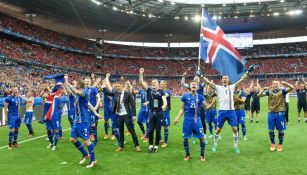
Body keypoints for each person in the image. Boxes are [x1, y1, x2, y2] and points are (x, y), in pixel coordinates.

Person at [200, 66, 252, 154]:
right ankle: (215, 145)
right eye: (223, 78)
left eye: (226, 78)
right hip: (222, 112)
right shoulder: (218, 88)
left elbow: (241, 80)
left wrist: (248, 72)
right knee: (218, 130)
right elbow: (208, 82)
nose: (224, 79)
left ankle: (236, 146)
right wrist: (201, 76)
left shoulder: (232, 87)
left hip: (231, 111)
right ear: (221, 80)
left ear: (228, 80)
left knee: (235, 129)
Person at [64, 75, 102, 168]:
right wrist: (65, 82)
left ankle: (93, 160)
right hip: (78, 120)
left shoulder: (84, 92)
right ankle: (86, 154)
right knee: (72, 139)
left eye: (76, 83)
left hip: (84, 120)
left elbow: (75, 91)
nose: (75, 84)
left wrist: (67, 82)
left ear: (79, 85)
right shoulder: (78, 95)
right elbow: (88, 104)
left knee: (87, 140)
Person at [105, 73, 141, 152]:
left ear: (122, 86)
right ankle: (121, 146)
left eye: (118, 86)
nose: (117, 87)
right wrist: (105, 85)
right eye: (116, 86)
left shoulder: (128, 94)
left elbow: (133, 105)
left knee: (131, 130)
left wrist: (134, 115)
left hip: (126, 114)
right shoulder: (116, 93)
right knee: (120, 130)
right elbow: (108, 92)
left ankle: (137, 145)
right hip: (119, 114)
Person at [173, 81, 206, 161]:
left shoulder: (201, 97)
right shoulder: (185, 96)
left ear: (197, 87)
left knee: (201, 137)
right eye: (192, 84)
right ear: (189, 87)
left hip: (197, 119)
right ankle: (187, 155)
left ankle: (202, 155)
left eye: (195, 84)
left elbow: (206, 106)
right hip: (187, 120)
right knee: (185, 138)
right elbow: (182, 108)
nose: (194, 85)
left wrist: (211, 102)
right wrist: (177, 118)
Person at [258, 80, 293, 152]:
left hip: (280, 113)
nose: (275, 84)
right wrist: (263, 89)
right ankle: (273, 144)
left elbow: (292, 88)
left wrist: (286, 83)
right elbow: (259, 95)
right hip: (271, 113)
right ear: (272, 84)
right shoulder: (269, 91)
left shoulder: (283, 91)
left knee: (280, 130)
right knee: (271, 130)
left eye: (276, 83)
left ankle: (280, 144)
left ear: (279, 84)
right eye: (274, 83)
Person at [139, 68, 167, 153]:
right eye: (152, 83)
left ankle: (156, 145)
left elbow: (164, 100)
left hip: (159, 113)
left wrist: (164, 105)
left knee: (158, 130)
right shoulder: (149, 90)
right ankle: (151, 145)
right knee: (150, 130)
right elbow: (140, 83)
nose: (153, 84)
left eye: (154, 82)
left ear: (158, 84)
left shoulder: (161, 91)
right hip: (151, 113)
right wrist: (141, 73)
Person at [181, 72, 207, 144]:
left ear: (199, 80)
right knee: (193, 122)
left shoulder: (201, 86)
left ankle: (204, 135)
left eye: (197, 78)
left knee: (202, 121)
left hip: (200, 106)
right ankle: (195, 137)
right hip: (191, 107)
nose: (196, 79)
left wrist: (202, 76)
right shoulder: (191, 86)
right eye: (195, 78)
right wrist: (183, 77)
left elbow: (206, 82)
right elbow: (183, 84)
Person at [85, 77, 101, 146]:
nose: (87, 82)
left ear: (90, 82)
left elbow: (98, 98)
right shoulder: (84, 90)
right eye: (86, 81)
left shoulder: (93, 89)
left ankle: (95, 140)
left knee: (93, 125)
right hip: (86, 110)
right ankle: (88, 140)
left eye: (88, 81)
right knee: (87, 125)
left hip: (93, 109)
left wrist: (96, 107)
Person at [160, 80, 171, 148]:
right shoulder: (159, 91)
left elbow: (164, 96)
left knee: (165, 126)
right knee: (158, 125)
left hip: (165, 111)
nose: (160, 85)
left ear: (165, 85)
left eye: (161, 84)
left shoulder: (168, 91)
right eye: (160, 84)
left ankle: (165, 142)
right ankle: (160, 139)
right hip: (159, 111)